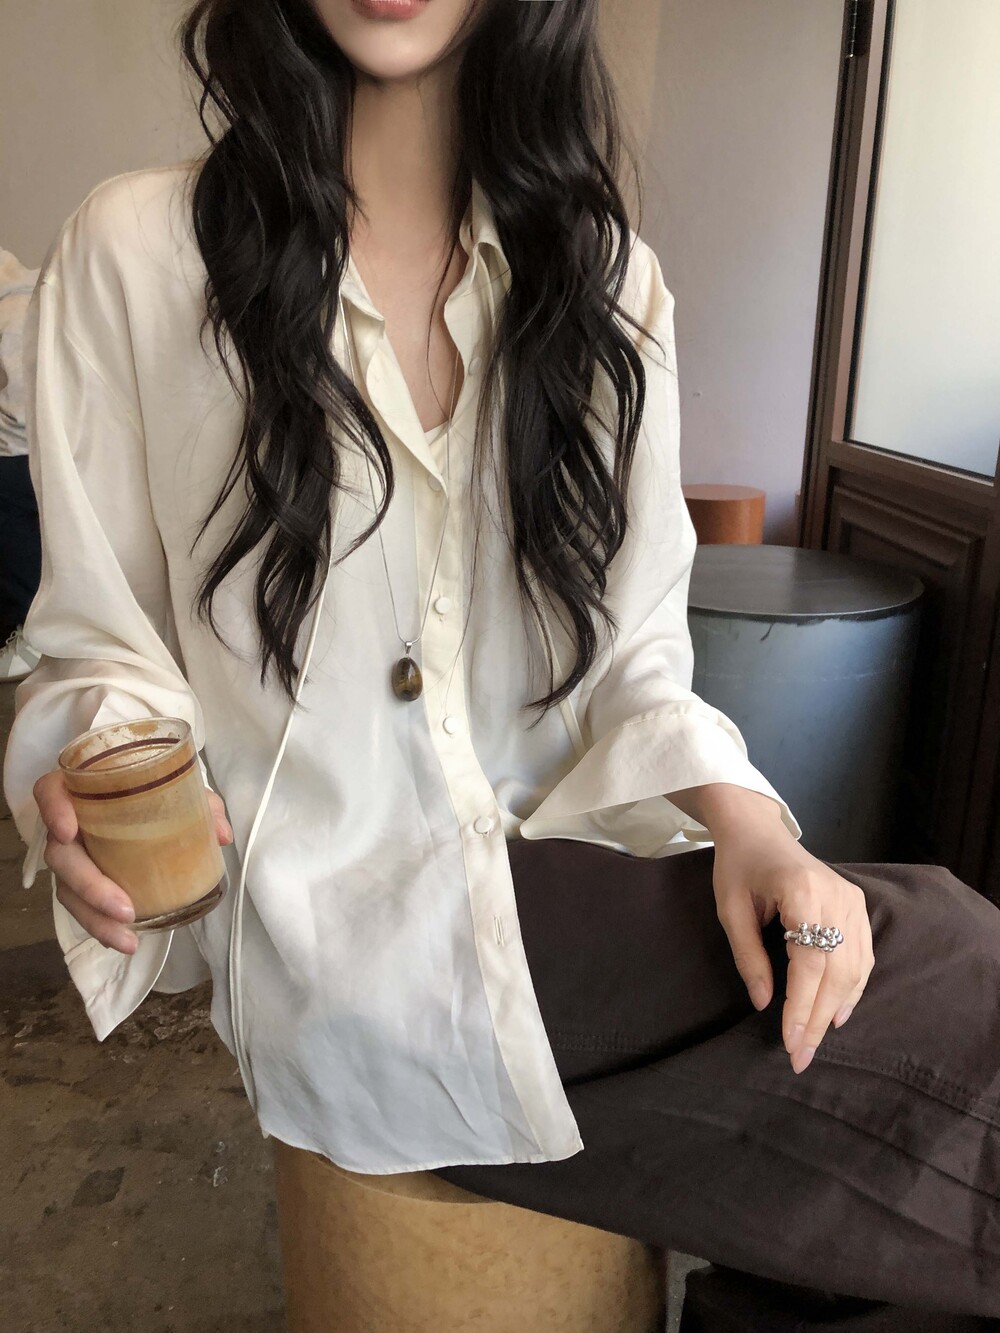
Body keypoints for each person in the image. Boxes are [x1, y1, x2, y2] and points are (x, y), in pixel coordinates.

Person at [3, 2, 998, 1328]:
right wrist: (96, 767)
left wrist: (758, 830)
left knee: (867, 1180)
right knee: (952, 982)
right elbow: (98, 641)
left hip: (582, 872)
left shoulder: (608, 281)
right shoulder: (136, 255)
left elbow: (638, 658)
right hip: (337, 922)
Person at [0, 246, 43, 681]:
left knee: (7, 502)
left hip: (24, 456)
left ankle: (30, 631)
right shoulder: (27, 294)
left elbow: (21, 418)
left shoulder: (13, 313)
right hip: (38, 450)